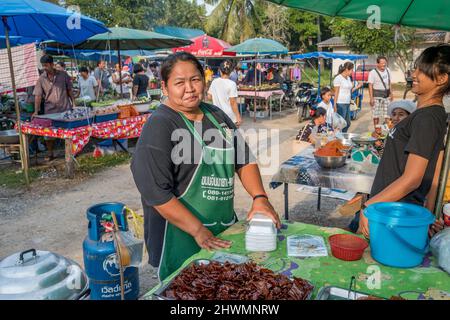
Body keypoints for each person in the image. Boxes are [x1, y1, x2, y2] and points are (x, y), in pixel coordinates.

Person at [131, 52, 281, 280]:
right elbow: (156, 193)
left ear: (204, 80)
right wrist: (198, 230)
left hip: (222, 228)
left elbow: (243, 159)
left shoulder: (217, 116)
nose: (189, 88)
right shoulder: (160, 125)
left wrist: (259, 197)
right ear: (165, 87)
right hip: (179, 236)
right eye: (179, 83)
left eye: (195, 79)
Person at [355, 45, 450, 239]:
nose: (414, 73)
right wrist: (429, 214)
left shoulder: (427, 118)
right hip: (396, 213)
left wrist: (368, 207)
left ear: (442, 79)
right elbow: (436, 168)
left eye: (422, 70)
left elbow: (412, 179)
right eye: (415, 67)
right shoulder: (433, 114)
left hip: (392, 216)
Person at [32, 54, 75, 160]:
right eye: (43, 66)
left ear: (52, 64)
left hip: (65, 108)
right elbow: (37, 96)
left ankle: (70, 152)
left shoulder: (63, 75)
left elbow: (69, 90)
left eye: (46, 65)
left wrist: (74, 103)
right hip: (50, 110)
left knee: (68, 131)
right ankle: (50, 153)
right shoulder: (41, 78)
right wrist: (36, 111)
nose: (44, 68)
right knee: (48, 133)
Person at [207, 60, 242, 127]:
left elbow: (209, 97)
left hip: (217, 114)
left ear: (220, 71)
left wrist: (218, 99)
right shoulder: (232, 84)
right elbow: (233, 102)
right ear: (230, 72)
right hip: (229, 116)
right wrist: (238, 116)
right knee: (231, 135)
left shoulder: (214, 82)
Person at [333, 62, 362, 133]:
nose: (352, 72)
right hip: (340, 103)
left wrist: (358, 86)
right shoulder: (338, 78)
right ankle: (339, 138)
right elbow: (336, 92)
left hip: (347, 103)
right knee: (341, 123)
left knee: (347, 123)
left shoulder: (348, 78)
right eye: (351, 70)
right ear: (346, 69)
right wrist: (334, 104)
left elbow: (350, 90)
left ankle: (342, 135)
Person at [368, 56, 394, 129]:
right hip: (376, 96)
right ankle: (377, 130)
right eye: (382, 63)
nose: (384, 65)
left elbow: (389, 82)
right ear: (377, 64)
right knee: (376, 115)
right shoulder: (372, 73)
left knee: (388, 114)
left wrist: (391, 93)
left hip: (387, 95)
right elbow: (370, 85)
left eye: (385, 63)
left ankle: (388, 131)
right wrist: (371, 98)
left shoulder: (388, 70)